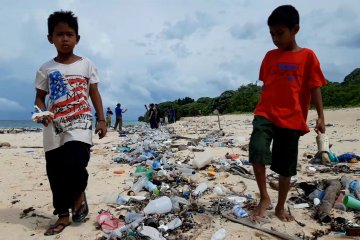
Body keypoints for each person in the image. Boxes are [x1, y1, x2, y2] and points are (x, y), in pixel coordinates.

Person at [249, 5, 326, 223]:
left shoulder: (308, 56)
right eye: (272, 34)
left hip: (292, 118)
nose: (275, 38)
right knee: (257, 148)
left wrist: (321, 116)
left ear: (295, 30)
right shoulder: (270, 56)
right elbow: (266, 86)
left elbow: (315, 86)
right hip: (266, 113)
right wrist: (259, 105)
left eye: (280, 33)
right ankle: (264, 197)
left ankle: (281, 206)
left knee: (286, 164)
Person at [34, 10, 107, 235]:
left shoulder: (87, 64)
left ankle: (78, 195)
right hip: (54, 125)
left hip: (81, 122)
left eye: (69, 34)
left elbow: (94, 92)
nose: (65, 39)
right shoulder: (45, 68)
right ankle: (63, 216)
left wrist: (102, 119)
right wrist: (40, 112)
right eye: (59, 34)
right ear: (50, 38)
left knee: (76, 162)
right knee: (55, 171)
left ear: (77, 38)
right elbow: (40, 97)